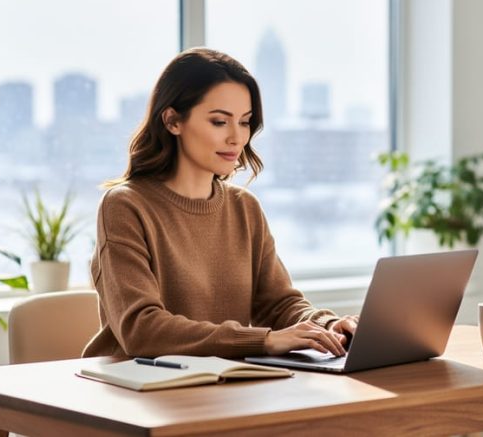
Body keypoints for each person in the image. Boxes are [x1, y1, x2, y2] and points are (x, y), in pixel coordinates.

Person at [83, 48, 358, 360]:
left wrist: (327, 326)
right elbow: (142, 330)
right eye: (219, 122)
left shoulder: (245, 208)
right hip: (138, 392)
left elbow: (279, 305)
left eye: (244, 122)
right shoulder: (125, 206)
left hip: (223, 386)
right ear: (173, 120)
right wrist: (264, 341)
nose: (237, 138)